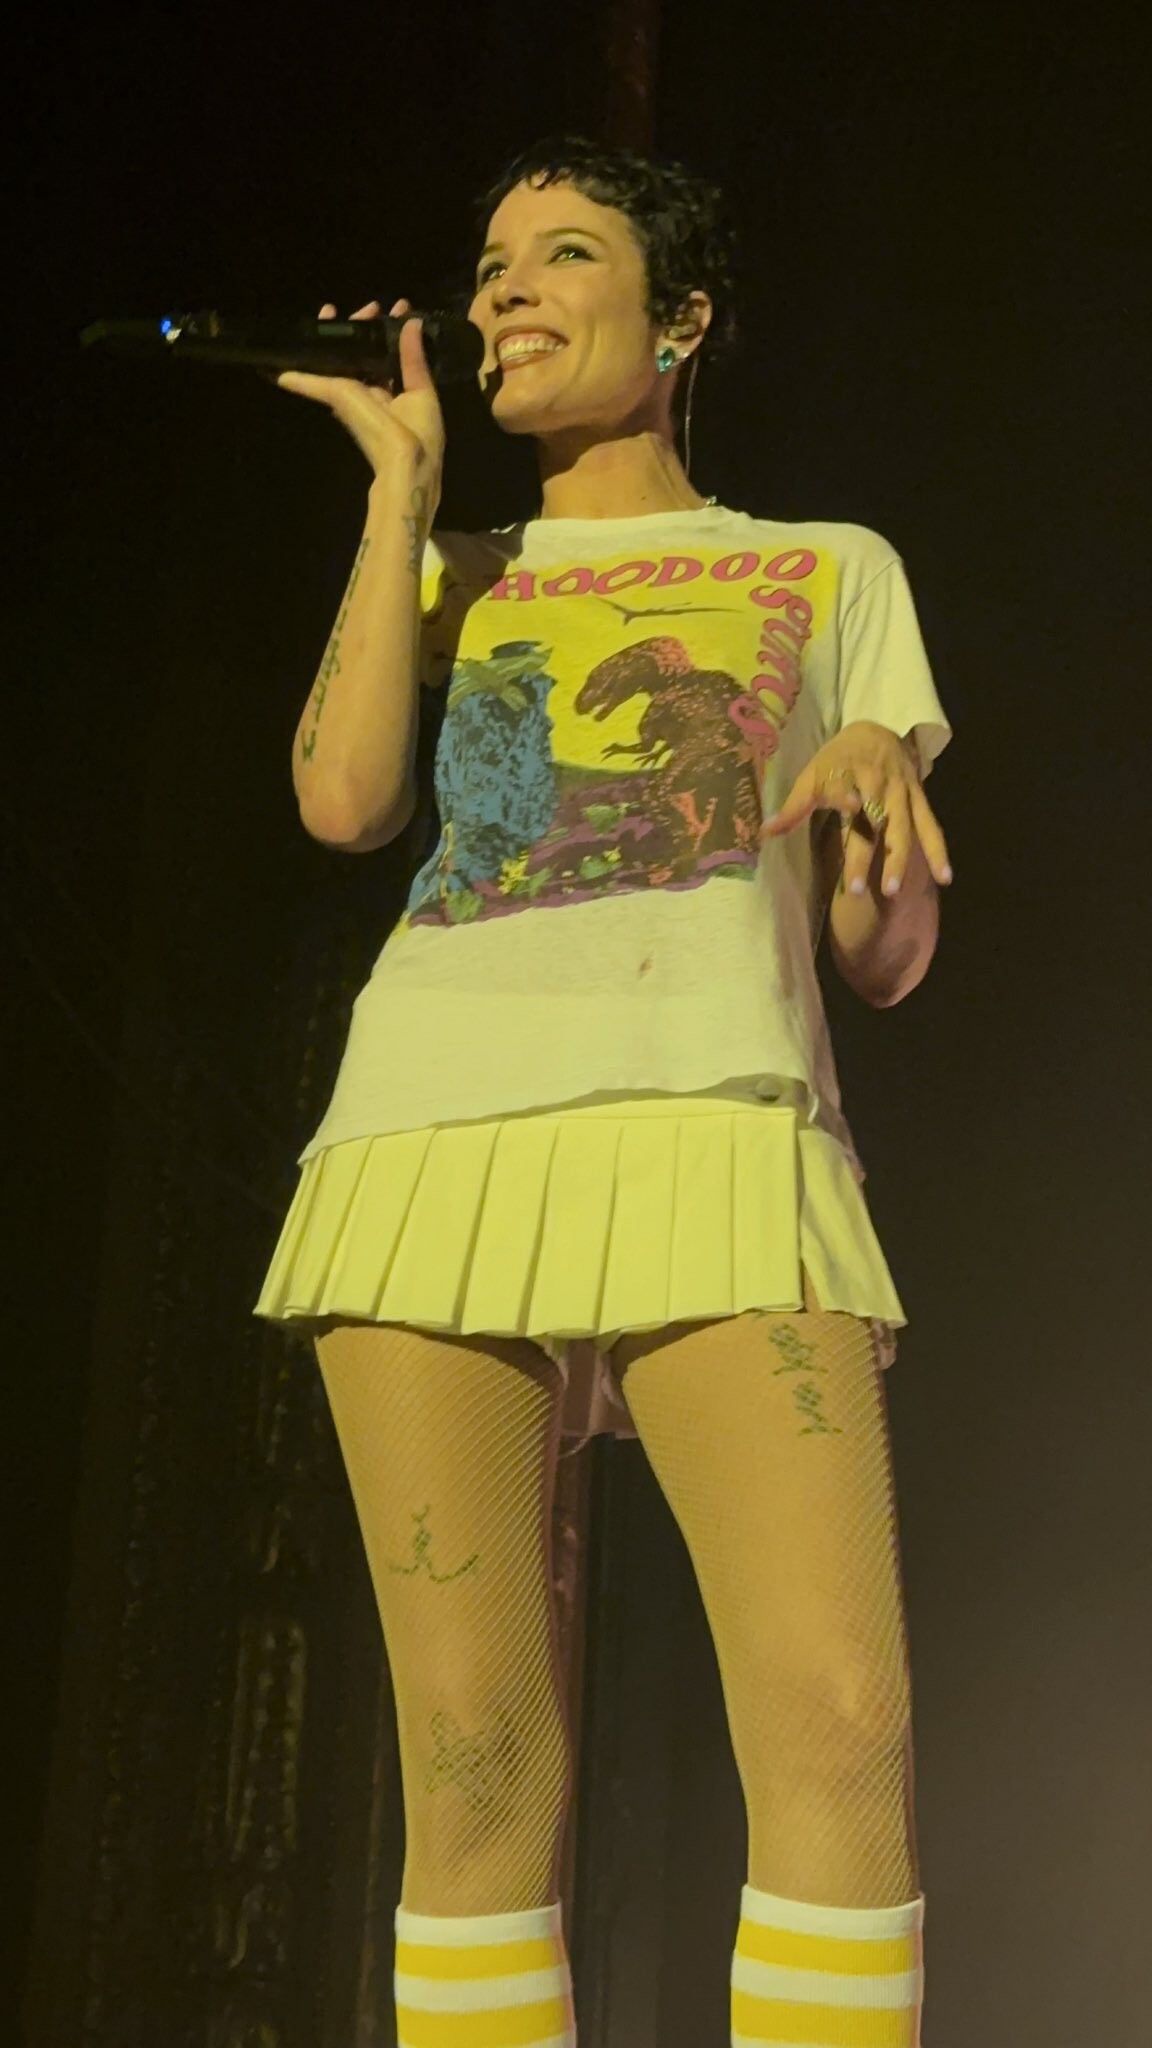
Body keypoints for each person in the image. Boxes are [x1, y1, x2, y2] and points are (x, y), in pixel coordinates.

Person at [255, 133, 952, 2048]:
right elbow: (345, 802)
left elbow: (885, 958)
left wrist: (876, 793)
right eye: (490, 263)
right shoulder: (459, 569)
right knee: (478, 1760)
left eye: (563, 253)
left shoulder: (828, 566)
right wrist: (400, 502)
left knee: (840, 1723)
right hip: (430, 1135)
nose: (505, 290)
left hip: (717, 1122)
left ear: (684, 317)